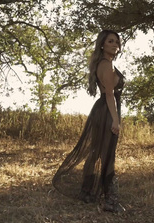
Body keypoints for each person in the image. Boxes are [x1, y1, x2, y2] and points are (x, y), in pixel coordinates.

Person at [52, 30, 125, 213]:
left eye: (117, 41)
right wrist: (115, 120)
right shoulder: (106, 65)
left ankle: (87, 191)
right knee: (107, 154)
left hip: (103, 110)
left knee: (97, 152)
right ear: (102, 44)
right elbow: (109, 94)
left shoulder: (106, 63)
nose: (115, 44)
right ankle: (110, 201)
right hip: (107, 111)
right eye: (110, 41)